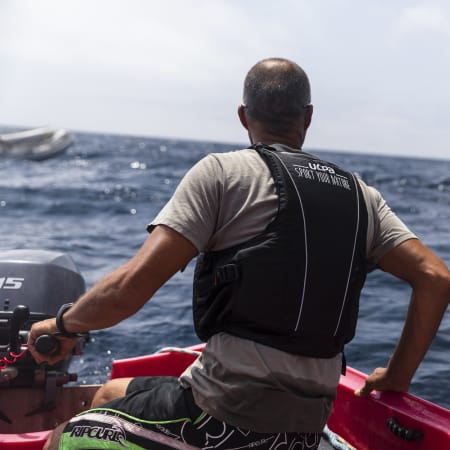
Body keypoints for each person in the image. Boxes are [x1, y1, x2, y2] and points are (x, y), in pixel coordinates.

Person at [29, 58, 450, 450]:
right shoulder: (363, 196)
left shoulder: (222, 173)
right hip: (302, 429)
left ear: (243, 116)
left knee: (66, 436)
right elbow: (435, 278)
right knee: (110, 394)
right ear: (308, 117)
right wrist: (396, 378)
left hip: (223, 417)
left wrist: (63, 323)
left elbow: (128, 289)